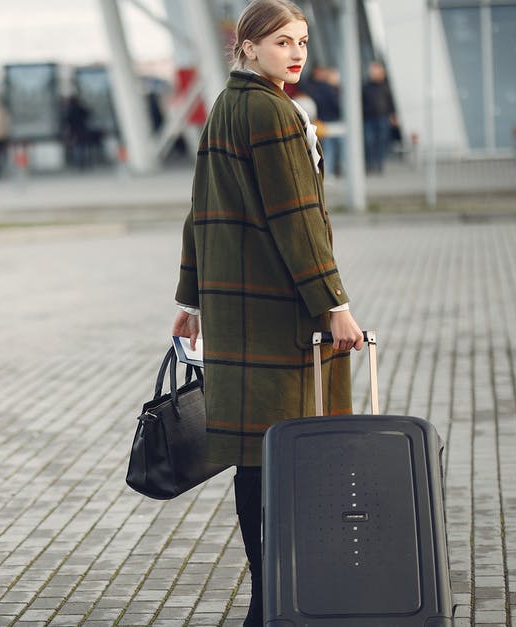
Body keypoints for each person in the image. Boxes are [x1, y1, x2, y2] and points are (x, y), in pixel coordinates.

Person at [169, 1, 364, 624]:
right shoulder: (274, 112)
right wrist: (334, 303)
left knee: (258, 454)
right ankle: (282, 599)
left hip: (236, 308)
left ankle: (268, 598)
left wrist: (191, 298)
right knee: (291, 450)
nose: (298, 53)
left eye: (302, 41)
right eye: (282, 42)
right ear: (247, 46)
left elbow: (200, 207)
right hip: (280, 311)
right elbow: (298, 220)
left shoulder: (226, 106)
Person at [304, 65, 343, 177]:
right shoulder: (327, 88)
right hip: (325, 120)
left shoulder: (312, 87)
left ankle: (330, 170)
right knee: (329, 148)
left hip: (325, 120)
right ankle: (330, 170)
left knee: (329, 147)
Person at [362, 60, 397, 174]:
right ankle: (371, 164)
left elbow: (390, 102)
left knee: (382, 142)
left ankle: (379, 164)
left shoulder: (385, 86)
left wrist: (393, 115)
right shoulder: (366, 86)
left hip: (383, 118)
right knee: (369, 142)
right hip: (369, 118)